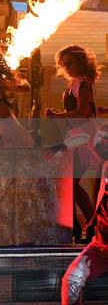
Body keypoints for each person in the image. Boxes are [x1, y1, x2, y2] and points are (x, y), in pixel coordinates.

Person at [45, 45, 102, 241]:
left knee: (71, 184)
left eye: (71, 63)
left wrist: (57, 116)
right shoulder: (76, 84)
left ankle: (91, 226)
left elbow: (83, 113)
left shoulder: (82, 84)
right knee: (69, 184)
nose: (67, 67)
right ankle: (80, 227)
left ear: (81, 63)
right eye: (64, 64)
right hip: (75, 136)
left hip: (81, 138)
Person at [61, 122, 108, 304]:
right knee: (71, 280)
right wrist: (94, 220)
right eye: (100, 140)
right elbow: (82, 139)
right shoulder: (103, 163)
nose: (98, 145)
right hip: (101, 244)